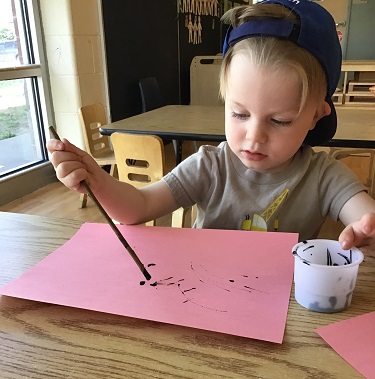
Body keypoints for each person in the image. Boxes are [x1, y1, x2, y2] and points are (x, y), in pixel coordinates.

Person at [47, 0, 375, 249]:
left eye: (279, 120)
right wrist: (98, 180)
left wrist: (367, 230)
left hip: (283, 314)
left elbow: (364, 217)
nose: (254, 135)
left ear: (317, 115)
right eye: (239, 113)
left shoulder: (324, 177)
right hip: (201, 301)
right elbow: (139, 206)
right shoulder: (210, 166)